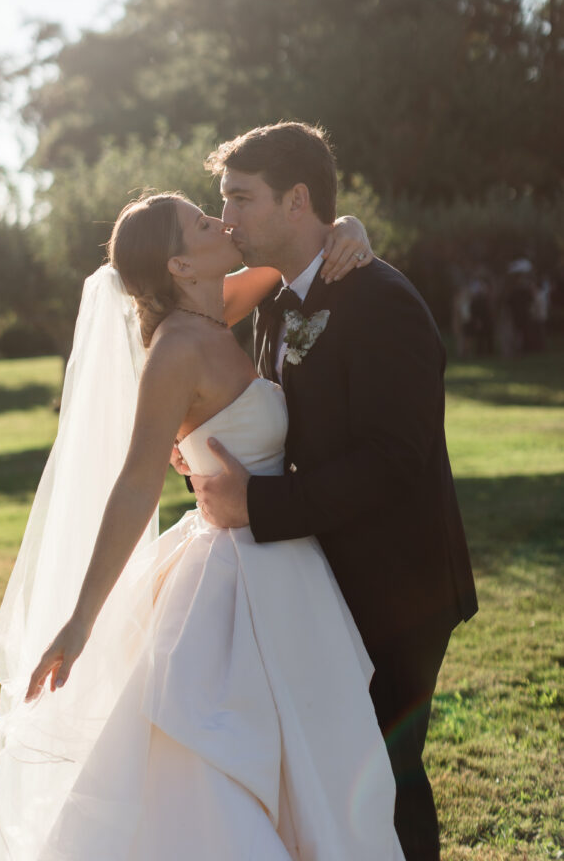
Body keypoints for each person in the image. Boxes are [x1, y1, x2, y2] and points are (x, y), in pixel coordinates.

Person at [0, 191, 404, 860]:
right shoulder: (175, 349)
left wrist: (346, 225)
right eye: (204, 223)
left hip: (286, 563)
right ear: (179, 265)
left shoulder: (220, 308)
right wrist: (82, 619)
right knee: (222, 769)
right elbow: (137, 481)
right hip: (236, 580)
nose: (222, 222)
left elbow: (304, 252)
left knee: (312, 760)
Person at [187, 121, 479, 861]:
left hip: (396, 586)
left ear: (296, 201)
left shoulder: (379, 300)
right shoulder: (276, 302)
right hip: (320, 578)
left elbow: (392, 460)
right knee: (326, 775)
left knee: (382, 776)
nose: (226, 219)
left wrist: (257, 506)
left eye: (239, 199)